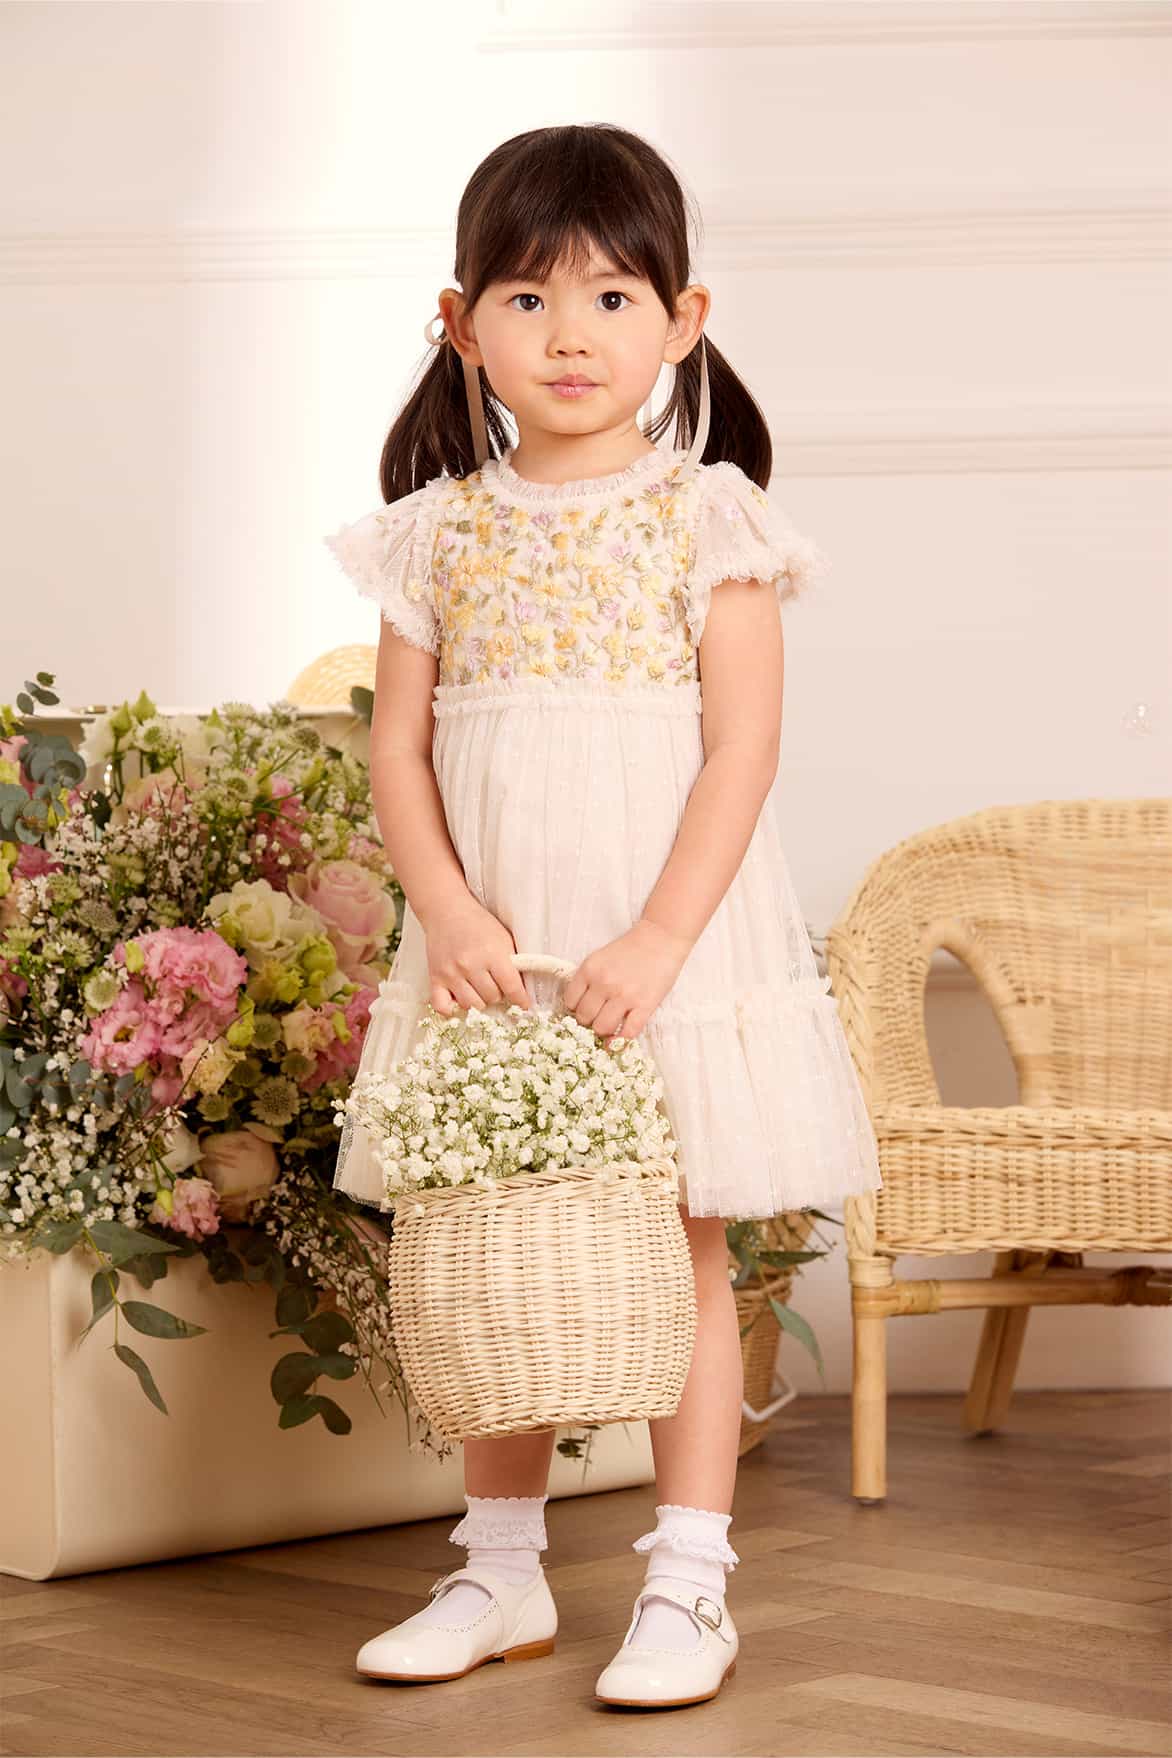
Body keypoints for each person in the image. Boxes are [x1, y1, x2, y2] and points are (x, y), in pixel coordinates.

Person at [323, 123, 883, 1711]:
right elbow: (398, 750)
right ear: (460, 324)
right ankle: (499, 1566)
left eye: (612, 298)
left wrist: (659, 940)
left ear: (682, 320)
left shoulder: (709, 517)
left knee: (678, 1236)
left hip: (662, 948)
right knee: (497, 1238)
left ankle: (688, 1582)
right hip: (496, 950)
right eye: (527, 298)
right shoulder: (439, 530)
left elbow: (741, 748)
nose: (569, 334)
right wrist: (447, 911)